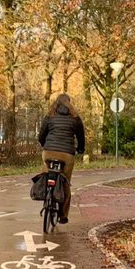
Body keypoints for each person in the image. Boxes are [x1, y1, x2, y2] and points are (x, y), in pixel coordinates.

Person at [37, 93, 85, 224]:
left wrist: (43, 145)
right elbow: (81, 137)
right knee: (65, 183)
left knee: (46, 174)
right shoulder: (75, 118)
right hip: (67, 154)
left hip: (49, 152)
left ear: (56, 103)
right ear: (69, 103)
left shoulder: (49, 116)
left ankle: (46, 195)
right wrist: (80, 149)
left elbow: (41, 134)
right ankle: (63, 215)